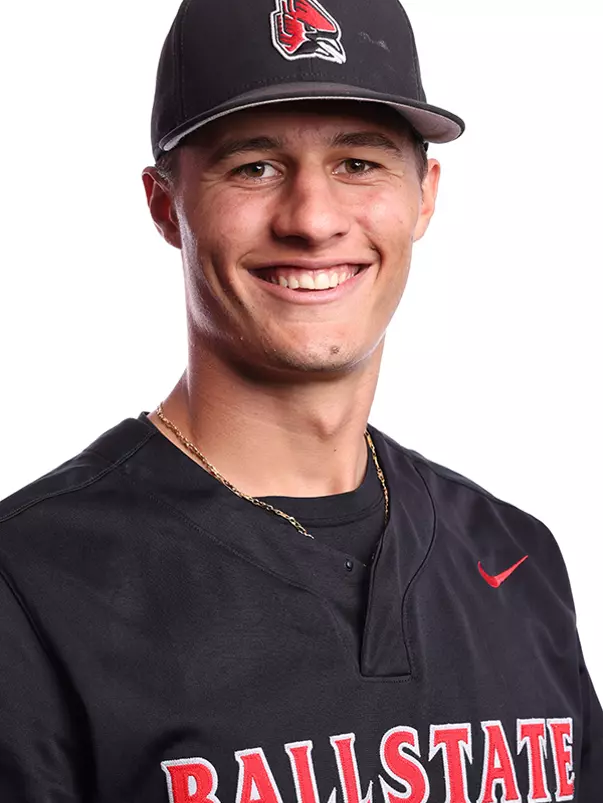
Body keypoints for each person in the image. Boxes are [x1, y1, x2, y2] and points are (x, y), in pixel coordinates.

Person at [0, 0, 601, 800]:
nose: (313, 220)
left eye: (359, 162)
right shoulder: (32, 581)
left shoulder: (514, 557)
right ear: (163, 205)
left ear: (423, 196)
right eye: (254, 166)